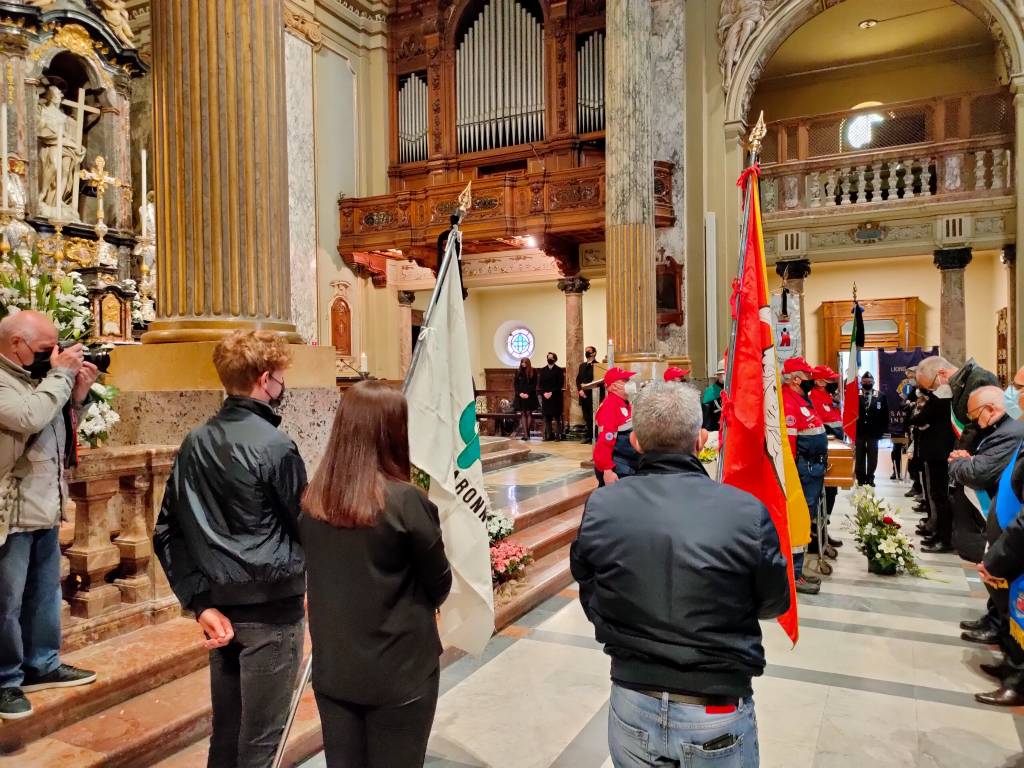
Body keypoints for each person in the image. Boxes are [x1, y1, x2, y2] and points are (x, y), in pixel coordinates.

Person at [571, 381, 789, 767]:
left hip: (634, 697)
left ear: (635, 442)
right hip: (713, 704)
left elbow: (589, 587)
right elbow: (773, 600)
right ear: (700, 438)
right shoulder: (744, 510)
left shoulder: (603, 505)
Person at [154, 331, 307, 768]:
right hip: (273, 610)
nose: (281, 386)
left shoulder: (194, 442)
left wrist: (200, 603)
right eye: (279, 377)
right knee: (260, 744)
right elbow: (304, 525)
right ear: (264, 380)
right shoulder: (275, 446)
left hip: (218, 612)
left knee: (226, 739)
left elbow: (167, 531)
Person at [301, 381, 451, 767]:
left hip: (336, 669)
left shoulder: (314, 499)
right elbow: (439, 584)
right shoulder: (405, 500)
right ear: (393, 433)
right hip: (398, 671)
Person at [0, 311, 98, 720]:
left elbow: (54, 428)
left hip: (44, 504)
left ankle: (42, 663)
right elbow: (28, 417)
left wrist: (78, 395)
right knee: (5, 601)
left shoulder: (37, 379)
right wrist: (60, 377)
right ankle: (5, 680)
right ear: (16, 344)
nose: (53, 356)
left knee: (44, 593)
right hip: (10, 511)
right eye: (45, 349)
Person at [947, 385, 1024, 654]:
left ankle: (1006, 640)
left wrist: (958, 463)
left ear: (990, 410)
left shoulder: (1010, 433)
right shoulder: (1001, 430)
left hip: (1009, 521)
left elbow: (980, 472)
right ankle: (995, 622)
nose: (1015, 392)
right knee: (996, 578)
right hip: (999, 518)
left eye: (1021, 387)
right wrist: (967, 461)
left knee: (1004, 582)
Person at [781, 357, 826, 595]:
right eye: (809, 376)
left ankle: (796, 571)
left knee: (806, 519)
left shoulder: (802, 399)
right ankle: (793, 574)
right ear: (797, 379)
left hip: (813, 468)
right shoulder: (789, 403)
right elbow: (789, 444)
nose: (813, 380)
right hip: (802, 470)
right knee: (799, 520)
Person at [809, 365, 844, 549]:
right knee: (823, 494)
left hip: (835, 449)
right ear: (819, 381)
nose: (834, 382)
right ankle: (816, 532)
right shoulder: (813, 398)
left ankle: (823, 529)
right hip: (823, 451)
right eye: (830, 380)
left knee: (831, 492)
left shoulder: (828, 397)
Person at [593, 367, 639, 487]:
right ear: (614, 386)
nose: (630, 382)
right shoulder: (610, 406)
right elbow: (604, 440)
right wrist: (607, 470)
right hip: (617, 467)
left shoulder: (624, 403)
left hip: (628, 464)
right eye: (625, 380)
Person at [855, 372, 889, 487]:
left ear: (873, 383)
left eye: (869, 382)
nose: (867, 384)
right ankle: (860, 478)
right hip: (858, 431)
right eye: (865, 382)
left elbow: (885, 414)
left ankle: (870, 478)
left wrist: (883, 431)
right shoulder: (855, 395)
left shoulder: (880, 395)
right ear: (861, 383)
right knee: (859, 456)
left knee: (872, 457)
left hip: (874, 432)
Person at [538, 352, 565, 441]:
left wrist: (551, 392)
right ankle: (549, 435)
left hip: (555, 396)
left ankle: (558, 436)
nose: (549, 359)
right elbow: (540, 384)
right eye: (548, 357)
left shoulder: (559, 370)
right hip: (545, 397)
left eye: (551, 358)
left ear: (555, 359)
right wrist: (544, 393)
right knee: (547, 417)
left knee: (557, 417)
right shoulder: (543, 370)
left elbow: (560, 384)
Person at [513, 357, 539, 441]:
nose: (523, 364)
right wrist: (520, 393)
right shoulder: (518, 371)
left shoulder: (533, 371)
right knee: (523, 413)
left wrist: (527, 393)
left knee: (529, 413)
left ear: (528, 363)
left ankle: (526, 434)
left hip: (530, 396)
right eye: (522, 362)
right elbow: (516, 384)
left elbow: (534, 384)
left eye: (524, 362)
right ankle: (526, 435)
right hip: (520, 396)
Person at [576, 346, 598, 444]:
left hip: (593, 394)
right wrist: (580, 390)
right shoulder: (582, 365)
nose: (586, 353)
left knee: (593, 416)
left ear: (594, 353)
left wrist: (587, 389)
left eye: (588, 351)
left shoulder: (598, 365)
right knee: (586, 417)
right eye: (586, 351)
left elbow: (597, 380)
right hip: (582, 395)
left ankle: (594, 436)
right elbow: (578, 379)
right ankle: (588, 435)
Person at [702, 360, 725, 432]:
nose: (725, 376)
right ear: (718, 376)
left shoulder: (733, 389)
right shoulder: (710, 391)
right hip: (715, 431)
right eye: (722, 374)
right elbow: (706, 417)